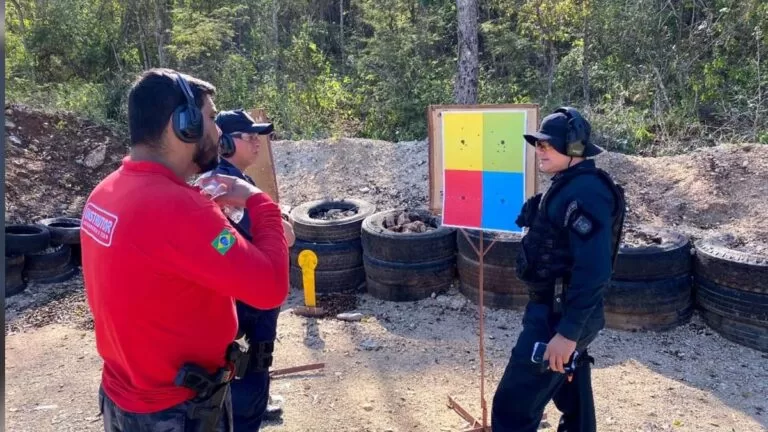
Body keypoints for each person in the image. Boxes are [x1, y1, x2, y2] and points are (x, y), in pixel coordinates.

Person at [80, 68, 290, 432]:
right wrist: (259, 203)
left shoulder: (106, 192)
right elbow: (270, 286)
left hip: (124, 398)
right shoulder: (181, 209)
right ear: (184, 125)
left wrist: (214, 228)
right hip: (178, 412)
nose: (218, 131)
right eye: (210, 117)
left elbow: (195, 253)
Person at [490, 107, 626, 432]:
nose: (540, 150)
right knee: (571, 391)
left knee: (512, 407)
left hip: (559, 317)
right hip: (557, 310)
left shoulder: (587, 193)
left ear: (575, 148)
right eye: (538, 144)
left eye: (548, 145)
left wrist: (567, 334)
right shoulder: (569, 184)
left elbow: (594, 270)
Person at [212, 109, 294, 430]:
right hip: (245, 306)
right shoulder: (224, 186)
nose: (257, 142)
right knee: (246, 378)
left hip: (247, 302)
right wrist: (278, 220)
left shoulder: (234, 181)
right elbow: (285, 236)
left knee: (249, 374)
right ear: (226, 144)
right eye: (249, 136)